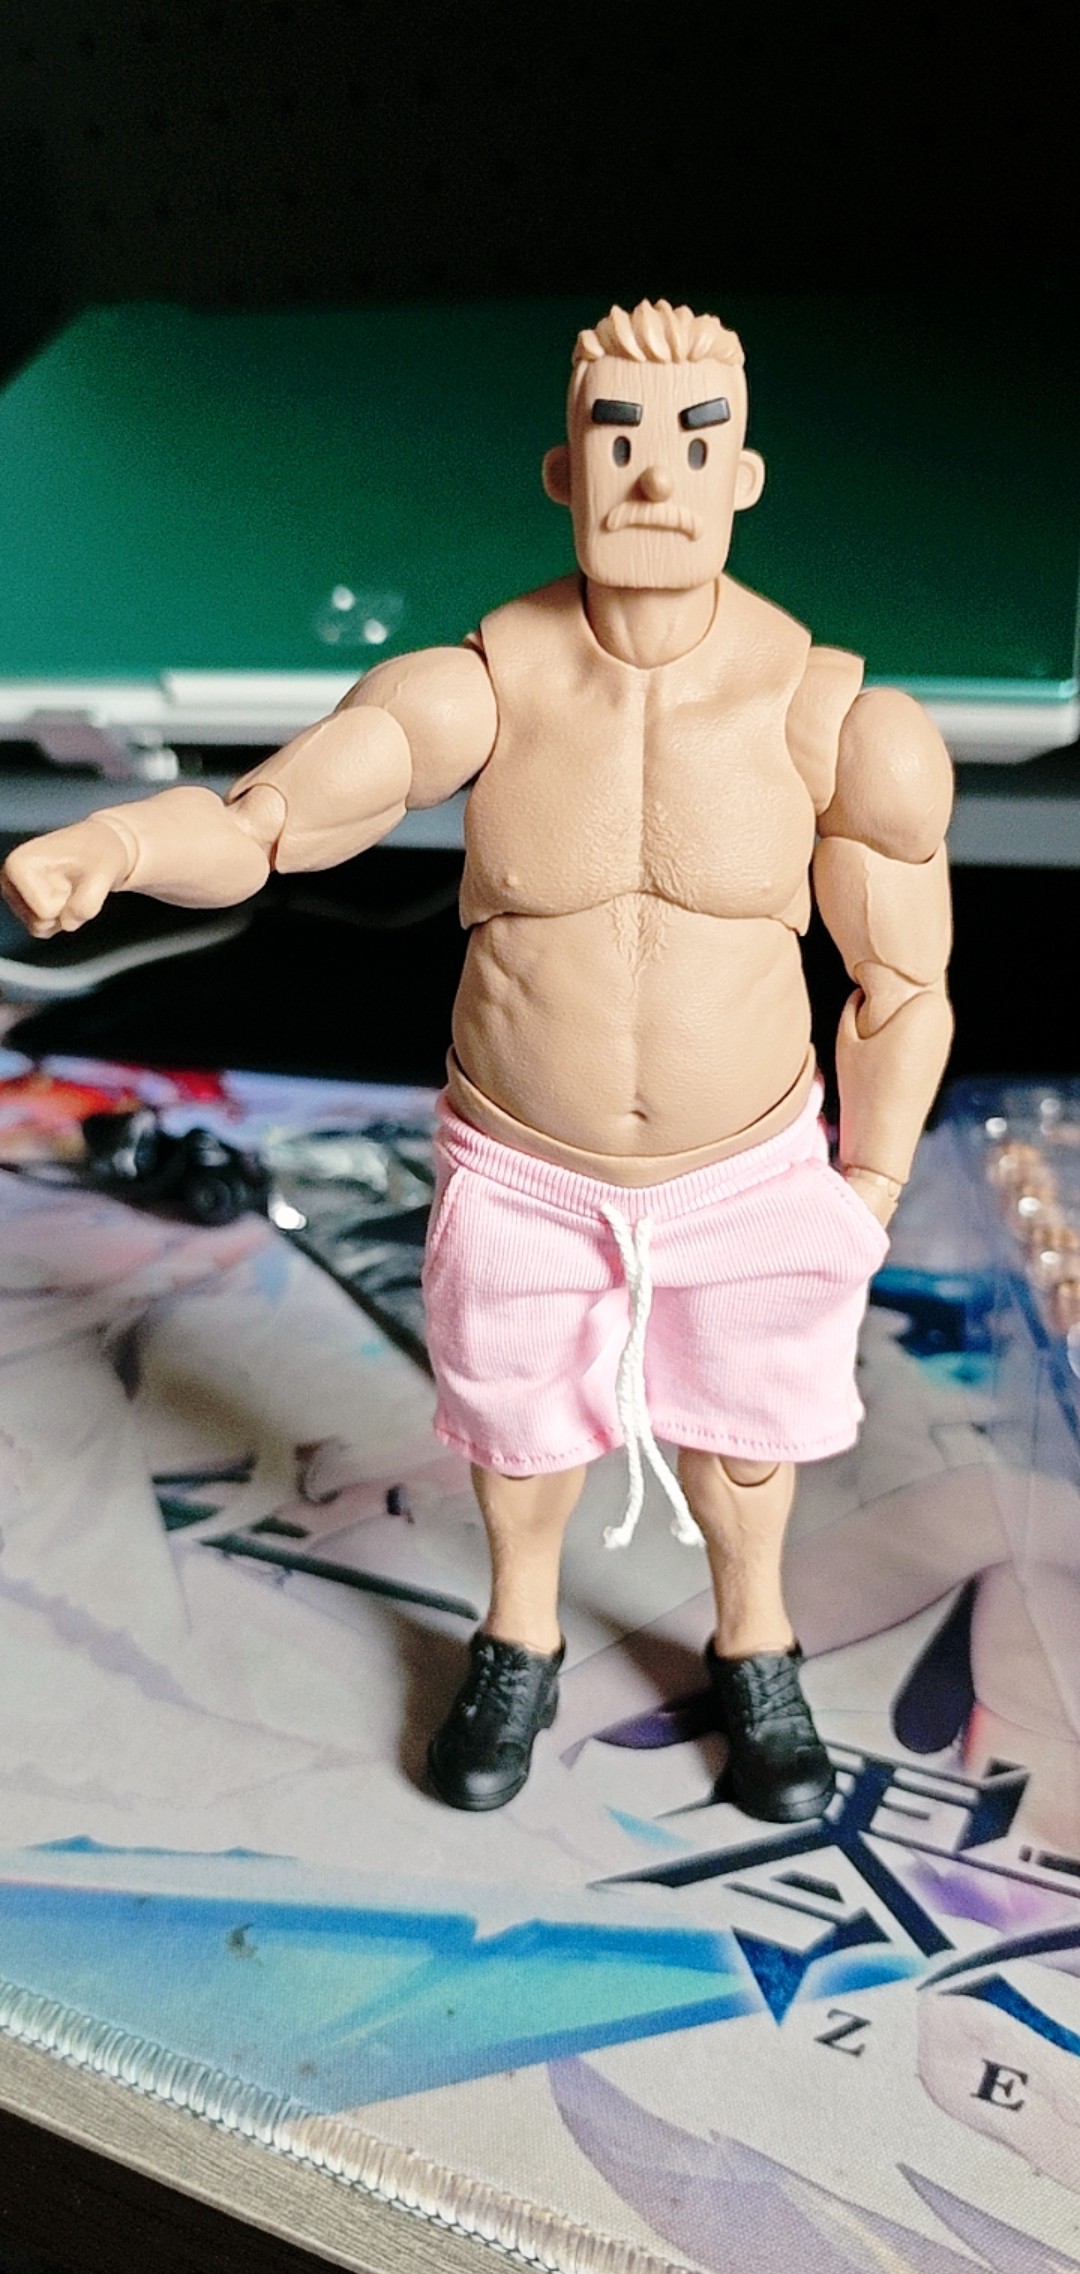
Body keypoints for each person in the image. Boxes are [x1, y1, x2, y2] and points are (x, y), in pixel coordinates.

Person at [1, 299, 953, 1821]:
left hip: (749, 1169)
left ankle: (753, 1646)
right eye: (618, 442)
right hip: (524, 1166)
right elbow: (265, 826)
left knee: (745, 1442)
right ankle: (519, 1639)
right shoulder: (484, 686)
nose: (656, 476)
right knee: (520, 1433)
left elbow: (902, 986)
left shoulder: (835, 719)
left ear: (745, 478)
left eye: (694, 441)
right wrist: (113, 845)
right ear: (565, 474)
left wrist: (871, 1189)